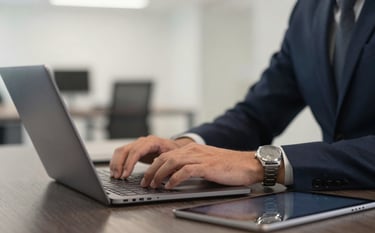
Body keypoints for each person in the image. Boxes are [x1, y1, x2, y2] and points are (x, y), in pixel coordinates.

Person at [110, 0, 375, 191]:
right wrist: (184, 145)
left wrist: (262, 164)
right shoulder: (307, 11)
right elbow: (256, 114)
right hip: (339, 203)